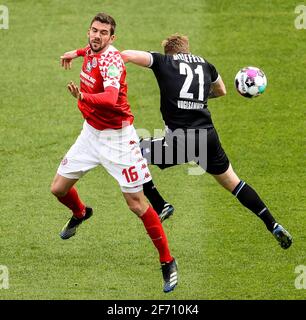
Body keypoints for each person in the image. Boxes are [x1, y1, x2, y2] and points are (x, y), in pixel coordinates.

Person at [120, 34, 293, 249]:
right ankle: (272, 223)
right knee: (235, 184)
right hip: (208, 137)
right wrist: (198, 97)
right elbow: (221, 90)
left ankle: (160, 204)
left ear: (170, 52)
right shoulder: (205, 64)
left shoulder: (164, 61)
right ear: (187, 50)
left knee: (129, 151)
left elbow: (127, 55)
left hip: (182, 141)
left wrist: (107, 60)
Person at [50, 13, 178, 293]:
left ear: (112, 38)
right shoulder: (92, 50)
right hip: (90, 135)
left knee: (137, 204)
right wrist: (75, 52)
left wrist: (82, 97)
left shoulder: (112, 61)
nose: (96, 36)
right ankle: (81, 213)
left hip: (118, 140)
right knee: (58, 188)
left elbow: (109, 98)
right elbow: (89, 51)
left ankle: (167, 261)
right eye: (93, 30)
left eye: (103, 33)